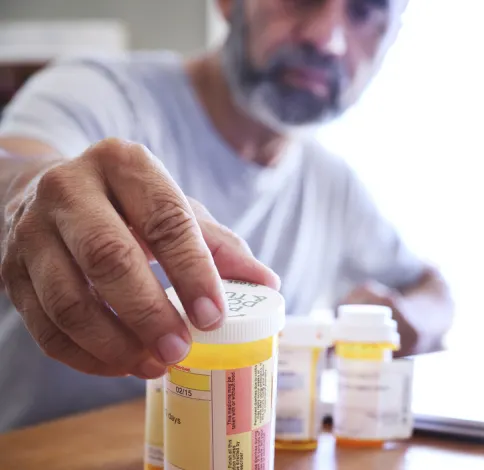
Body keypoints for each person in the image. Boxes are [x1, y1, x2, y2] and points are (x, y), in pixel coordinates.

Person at [0, 0, 453, 431]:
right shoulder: (98, 90)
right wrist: (28, 196)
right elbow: (16, 167)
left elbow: (433, 289)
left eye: (367, 11)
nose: (327, 39)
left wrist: (405, 320)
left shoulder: (333, 186)